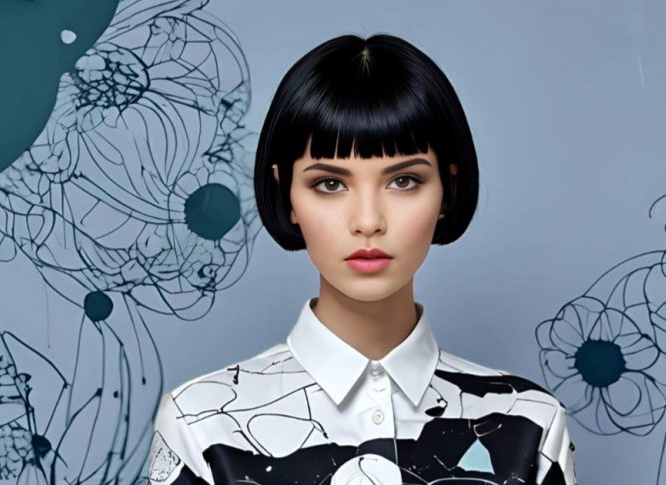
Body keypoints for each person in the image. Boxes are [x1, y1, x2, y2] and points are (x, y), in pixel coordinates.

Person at [146, 33, 577, 485]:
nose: (368, 221)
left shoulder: (528, 424)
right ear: (285, 193)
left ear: (447, 190)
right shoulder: (202, 424)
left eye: (404, 180)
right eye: (330, 184)